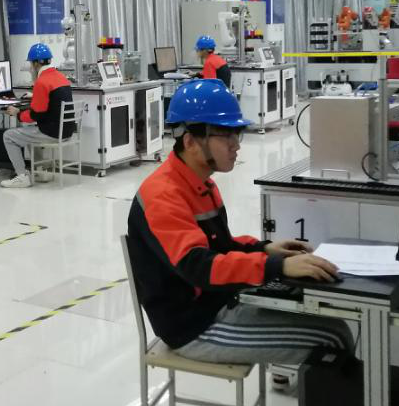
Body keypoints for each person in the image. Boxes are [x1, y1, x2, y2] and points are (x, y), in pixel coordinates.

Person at [126, 79, 353, 364]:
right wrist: (277, 266)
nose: (236, 145)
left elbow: (220, 246)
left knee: (335, 327)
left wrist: (264, 249)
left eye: (238, 134)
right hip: (193, 326)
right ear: (191, 142)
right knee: (333, 338)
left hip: (219, 301)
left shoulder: (201, 184)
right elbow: (200, 267)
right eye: (226, 135)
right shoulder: (162, 195)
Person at [0, 43, 74, 189]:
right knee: (27, 132)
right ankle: (40, 171)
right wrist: (35, 96)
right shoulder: (61, 77)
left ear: (35, 64)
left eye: (30, 64)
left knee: (9, 136)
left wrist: (17, 113)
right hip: (67, 130)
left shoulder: (41, 82)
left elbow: (36, 115)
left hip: (52, 132)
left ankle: (22, 176)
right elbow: (53, 99)